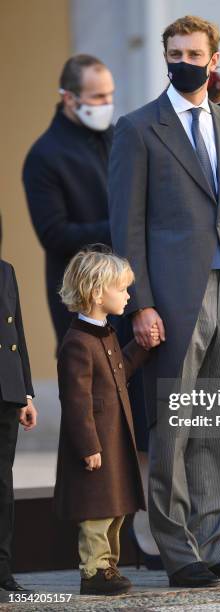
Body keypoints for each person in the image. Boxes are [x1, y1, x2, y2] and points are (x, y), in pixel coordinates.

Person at [109, 15, 220, 588]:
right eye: (174, 52)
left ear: (214, 59)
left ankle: (212, 543)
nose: (183, 61)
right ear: (166, 58)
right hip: (173, 302)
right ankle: (179, 553)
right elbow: (126, 227)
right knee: (175, 429)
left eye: (193, 52)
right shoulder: (137, 128)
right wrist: (141, 304)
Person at [54, 248, 159, 595]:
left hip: (114, 438)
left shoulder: (107, 334)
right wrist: (88, 446)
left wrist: (142, 347)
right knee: (97, 510)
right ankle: (94, 570)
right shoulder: (77, 343)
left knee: (115, 507)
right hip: (96, 442)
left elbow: (119, 372)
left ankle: (109, 566)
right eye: (123, 289)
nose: (129, 296)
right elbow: (75, 401)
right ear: (98, 293)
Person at [23, 54, 114, 349]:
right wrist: (122, 227)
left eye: (110, 95)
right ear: (69, 98)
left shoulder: (117, 138)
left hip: (123, 293)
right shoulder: (44, 155)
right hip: (81, 299)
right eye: (98, 96)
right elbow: (54, 234)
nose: (106, 104)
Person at [0, 251, 38, 595]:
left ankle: (2, 570)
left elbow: (17, 333)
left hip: (6, 393)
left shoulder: (5, 270)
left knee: (3, 487)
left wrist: (26, 393)